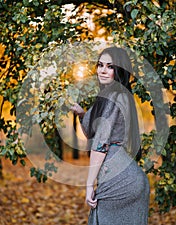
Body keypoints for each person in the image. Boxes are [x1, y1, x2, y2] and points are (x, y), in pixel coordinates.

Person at [71, 47, 150, 225]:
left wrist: (89, 184)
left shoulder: (114, 97)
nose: (103, 70)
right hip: (129, 177)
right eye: (100, 65)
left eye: (110, 66)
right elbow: (92, 130)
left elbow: (100, 144)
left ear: (119, 70)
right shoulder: (113, 95)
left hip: (120, 182)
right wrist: (82, 114)